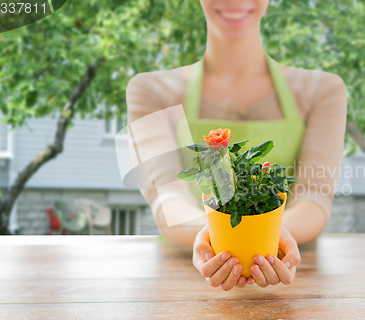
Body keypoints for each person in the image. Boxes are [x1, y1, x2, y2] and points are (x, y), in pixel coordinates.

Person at [126, 0, 347, 291]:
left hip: (293, 275)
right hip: (183, 278)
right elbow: (165, 196)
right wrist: (220, 238)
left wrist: (268, 237)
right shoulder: (149, 91)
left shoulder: (323, 90)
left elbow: (315, 196)